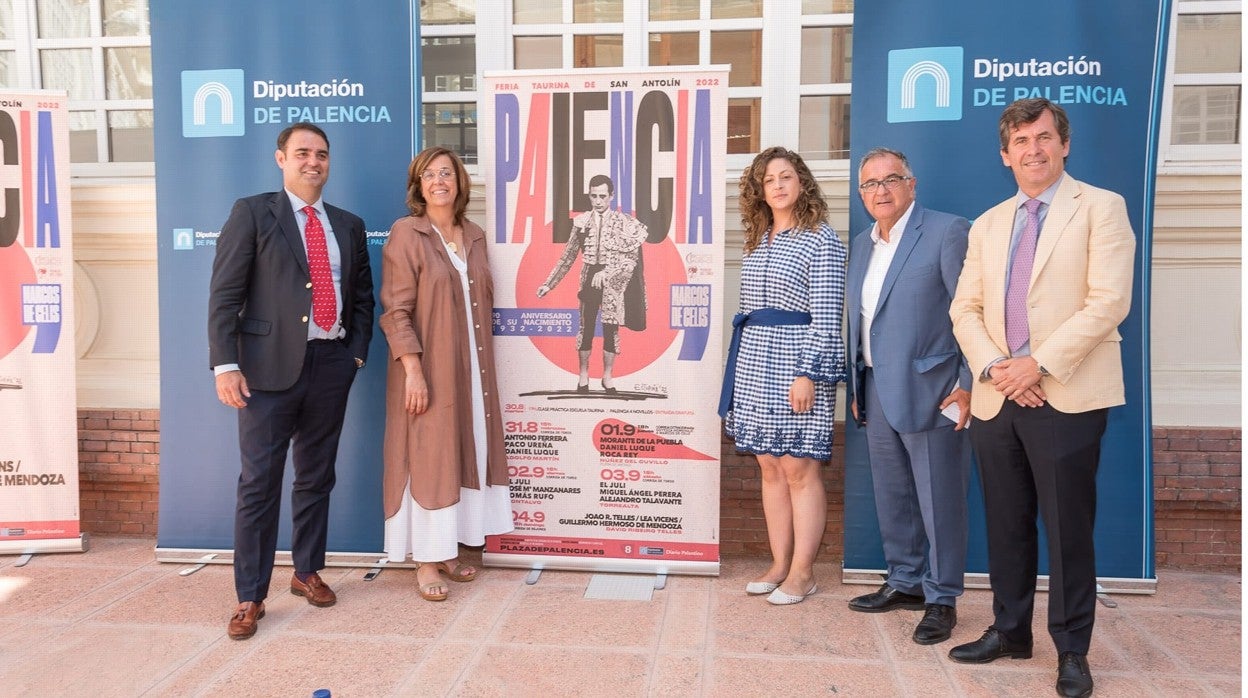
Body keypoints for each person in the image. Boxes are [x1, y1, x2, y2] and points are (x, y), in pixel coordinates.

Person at [947, 98, 1135, 698]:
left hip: (1067, 393)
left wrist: (1038, 365)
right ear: (1005, 155)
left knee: (1068, 528)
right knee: (1006, 524)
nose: (1034, 149)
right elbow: (965, 308)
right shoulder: (988, 222)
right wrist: (1000, 369)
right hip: (999, 394)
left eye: (1044, 137)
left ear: (1064, 144)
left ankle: (1073, 650)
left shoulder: (1102, 209)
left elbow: (1108, 301)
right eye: (1021, 141)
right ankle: (1010, 632)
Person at [208, 122, 375, 640]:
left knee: (315, 476)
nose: (313, 162)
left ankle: (306, 571)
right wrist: (225, 364)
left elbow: (364, 297)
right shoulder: (253, 212)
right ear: (280, 158)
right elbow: (224, 295)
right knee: (258, 485)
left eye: (321, 154)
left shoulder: (348, 224)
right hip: (266, 373)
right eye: (302, 153)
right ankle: (249, 596)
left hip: (331, 367)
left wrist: (356, 356)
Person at [844, 147, 972, 645]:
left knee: (939, 499)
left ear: (911, 184)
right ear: (861, 194)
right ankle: (905, 581)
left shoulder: (946, 230)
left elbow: (971, 311)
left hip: (934, 388)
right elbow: (860, 319)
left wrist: (967, 382)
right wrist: (857, 381)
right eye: (870, 184)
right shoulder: (861, 243)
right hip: (875, 388)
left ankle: (941, 598)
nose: (881, 191)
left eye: (891, 180)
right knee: (893, 495)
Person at [378, 146, 513, 602]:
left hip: (473, 371)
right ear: (418, 185)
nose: (439, 181)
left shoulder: (473, 234)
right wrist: (413, 371)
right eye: (429, 175)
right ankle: (426, 561)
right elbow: (396, 310)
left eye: (447, 174)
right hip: (428, 368)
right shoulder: (407, 233)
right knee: (430, 456)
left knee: (464, 452)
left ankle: (450, 550)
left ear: (459, 183)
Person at [719, 146, 846, 606]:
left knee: (799, 468)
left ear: (802, 182)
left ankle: (803, 572)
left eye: (786, 175)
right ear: (759, 190)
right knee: (769, 467)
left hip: (798, 362)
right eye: (768, 179)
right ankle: (778, 564)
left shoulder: (822, 239)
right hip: (755, 360)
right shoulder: (760, 238)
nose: (777, 184)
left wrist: (809, 373)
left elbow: (828, 316)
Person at [537, 174, 647, 393]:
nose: (598, 201)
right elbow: (567, 256)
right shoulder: (581, 221)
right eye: (593, 196)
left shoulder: (624, 223)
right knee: (586, 326)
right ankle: (584, 375)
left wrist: (607, 272)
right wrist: (549, 284)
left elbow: (631, 261)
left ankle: (607, 377)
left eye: (602, 196)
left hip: (613, 280)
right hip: (589, 276)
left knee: (610, 328)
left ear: (611, 196)